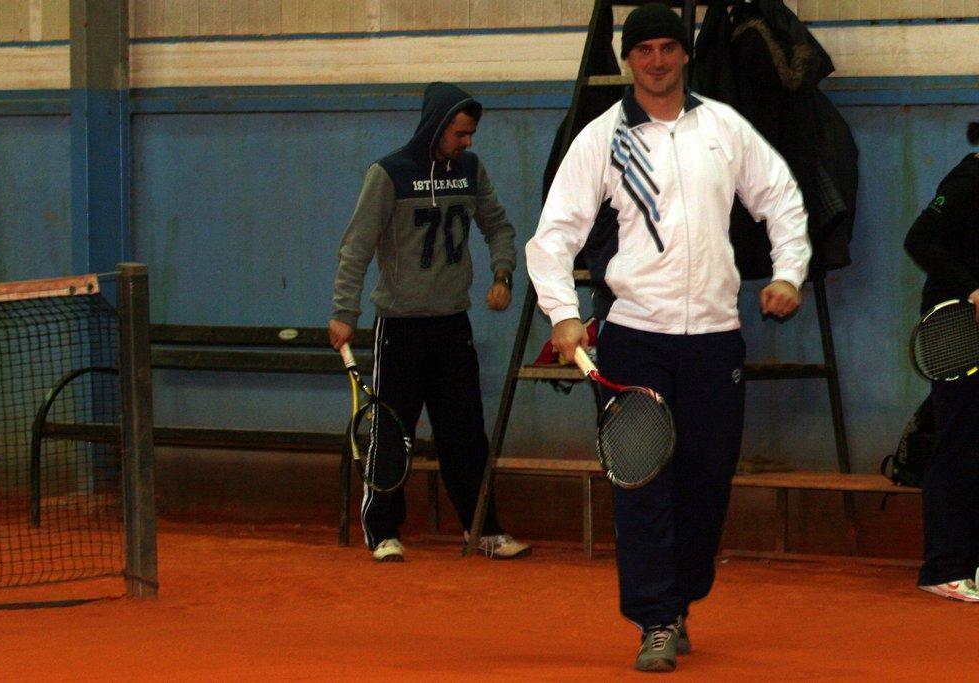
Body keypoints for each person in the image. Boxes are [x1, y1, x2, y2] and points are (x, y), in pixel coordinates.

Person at [525, 3, 810, 672]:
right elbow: (553, 236)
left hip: (715, 340)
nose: (656, 60)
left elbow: (781, 199)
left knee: (706, 484)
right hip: (635, 340)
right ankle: (654, 619)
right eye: (644, 49)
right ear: (628, 60)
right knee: (643, 485)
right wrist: (562, 312)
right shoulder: (601, 138)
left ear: (685, 54)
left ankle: (679, 602)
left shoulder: (723, 128)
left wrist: (789, 272)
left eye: (667, 48)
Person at [329, 82, 531, 563]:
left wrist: (503, 273)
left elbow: (499, 227)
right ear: (436, 127)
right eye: (460, 133)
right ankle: (383, 532)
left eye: (471, 133)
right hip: (399, 327)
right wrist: (344, 313)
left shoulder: (470, 171)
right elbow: (356, 247)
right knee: (392, 432)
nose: (467, 142)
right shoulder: (388, 174)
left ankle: (481, 529)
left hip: (453, 326)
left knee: (466, 434)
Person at [903, 122, 979, 602]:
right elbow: (920, 238)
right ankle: (944, 568)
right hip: (955, 329)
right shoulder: (968, 180)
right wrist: (971, 288)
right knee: (960, 443)